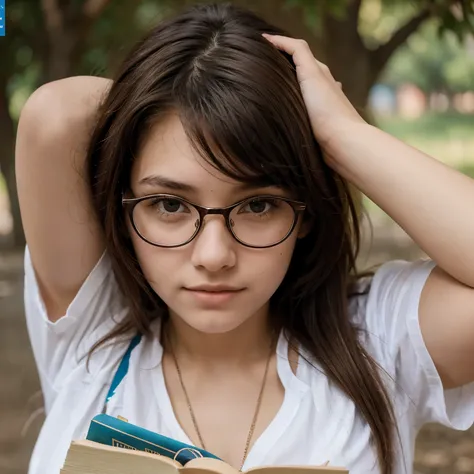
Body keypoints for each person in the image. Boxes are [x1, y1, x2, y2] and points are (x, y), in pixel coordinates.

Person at [15, 3, 474, 474]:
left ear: (306, 211)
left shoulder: (379, 342)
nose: (213, 256)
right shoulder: (91, 339)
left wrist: (341, 135)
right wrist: (175, 89)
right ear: (125, 206)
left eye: (258, 205)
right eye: (170, 205)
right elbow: (56, 115)